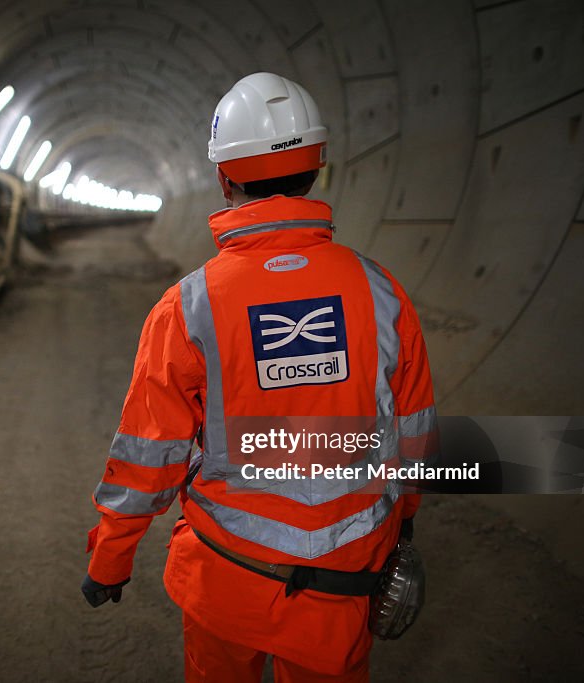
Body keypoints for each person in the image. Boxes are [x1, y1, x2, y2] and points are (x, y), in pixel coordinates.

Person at [80, 72, 438, 682]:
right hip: (345, 582)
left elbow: (150, 452)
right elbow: (413, 430)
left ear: (224, 178)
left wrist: (111, 556)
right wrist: (402, 517)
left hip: (227, 578)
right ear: (318, 169)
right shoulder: (382, 295)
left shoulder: (190, 306)